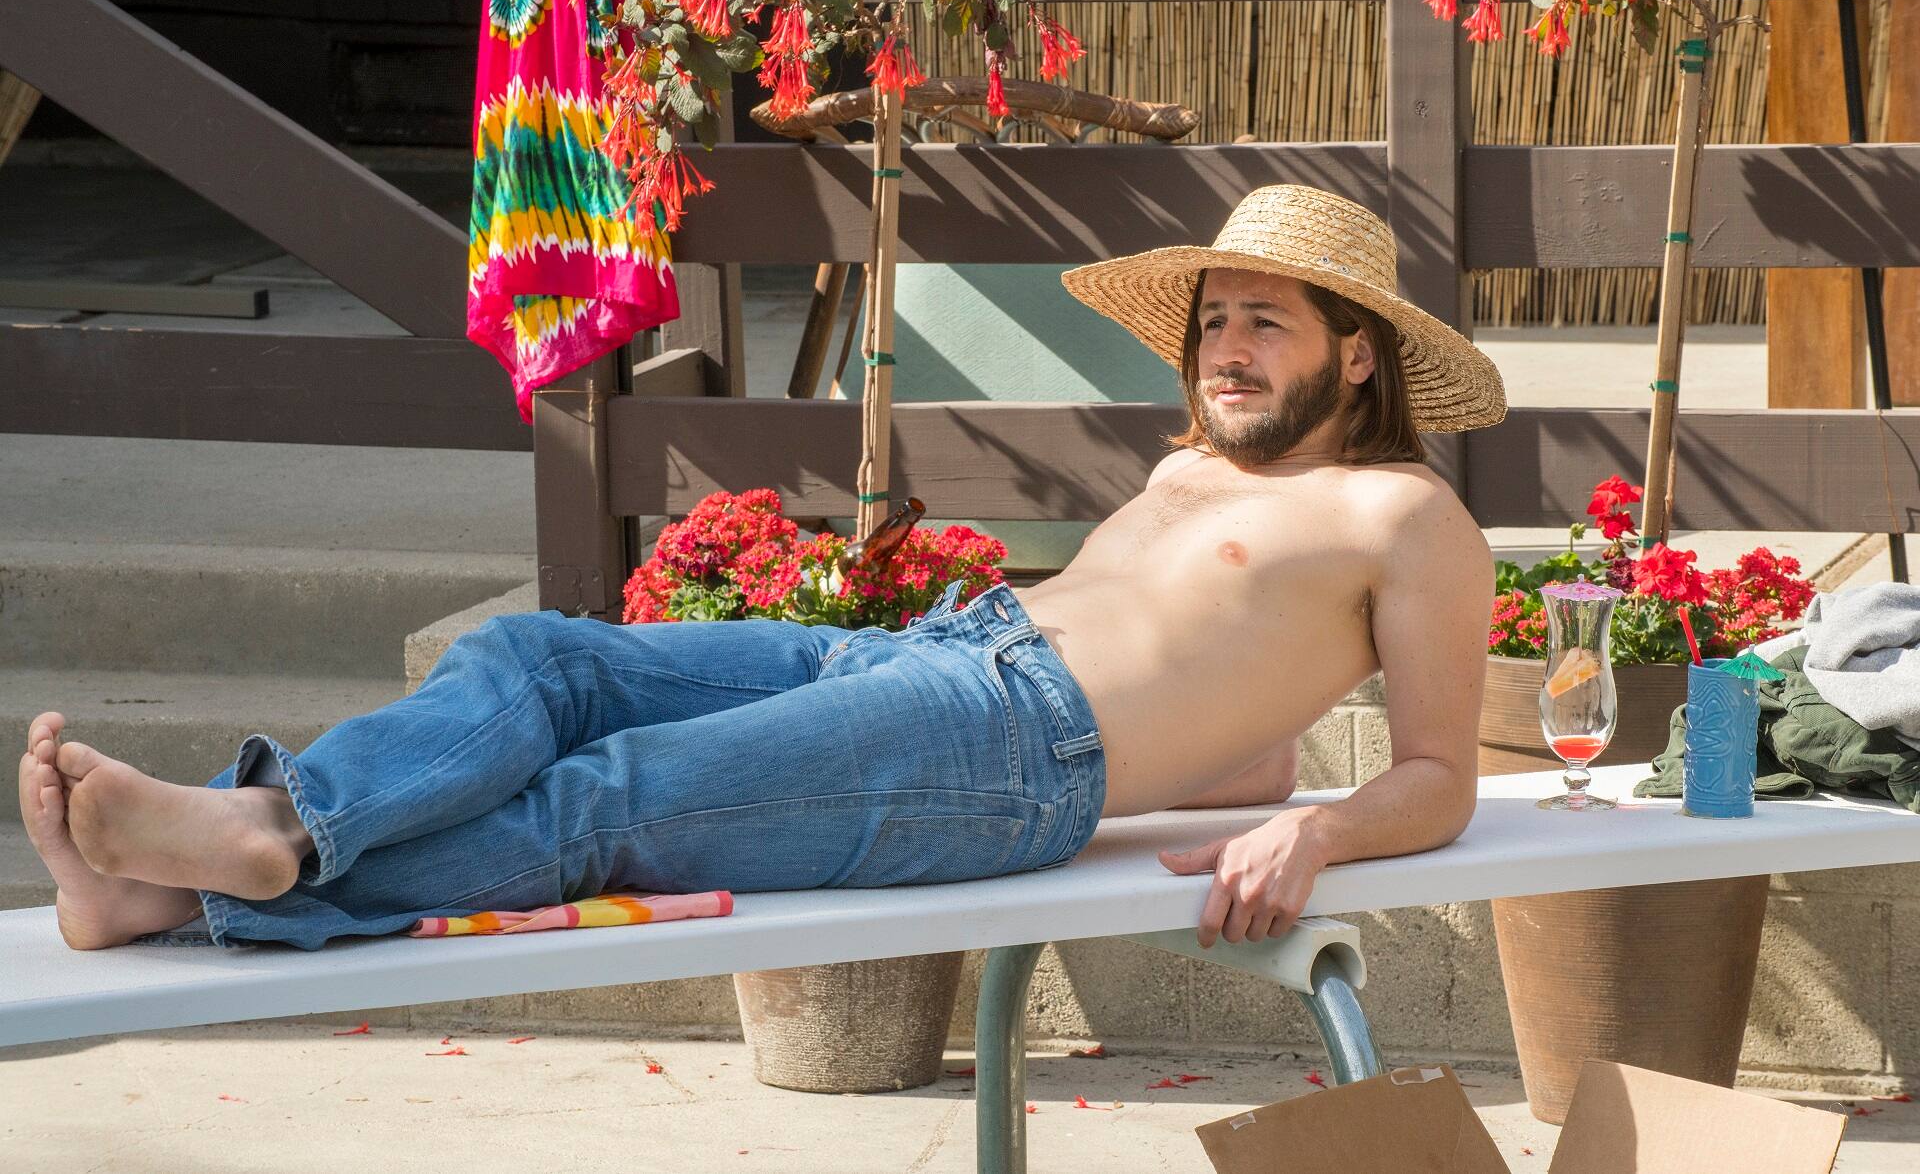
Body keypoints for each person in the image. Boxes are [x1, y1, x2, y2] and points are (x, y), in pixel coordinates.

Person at [18, 183, 1504, 954]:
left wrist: (1314, 836)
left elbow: (1440, 774)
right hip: (941, 657)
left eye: (1267, 324)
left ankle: (219, 889)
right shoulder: (1196, 469)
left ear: (1356, 356)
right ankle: (273, 822)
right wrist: (1235, 764)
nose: (1226, 350)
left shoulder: (1403, 517)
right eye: (1215, 320)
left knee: (615, 796)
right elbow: (1233, 713)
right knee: (549, 656)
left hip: (1009, 745)